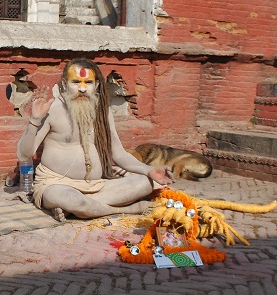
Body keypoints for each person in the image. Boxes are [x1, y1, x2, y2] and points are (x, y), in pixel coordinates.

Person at [17, 58, 174, 222]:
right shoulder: (53, 109)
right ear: (64, 84)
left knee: (146, 183)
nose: (83, 88)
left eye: (88, 82)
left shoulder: (102, 111)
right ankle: (129, 209)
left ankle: (81, 209)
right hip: (56, 185)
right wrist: (34, 121)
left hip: (97, 186)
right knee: (71, 199)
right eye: (76, 82)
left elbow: (119, 154)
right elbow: (24, 154)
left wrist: (148, 170)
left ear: (97, 85)